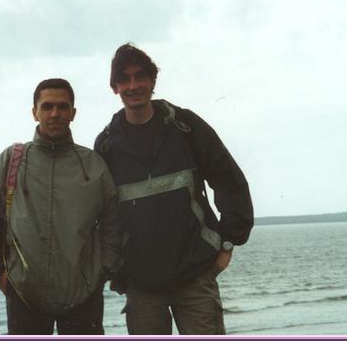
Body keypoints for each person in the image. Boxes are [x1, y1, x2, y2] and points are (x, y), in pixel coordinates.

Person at [94, 43, 253, 335]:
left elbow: (229, 179)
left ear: (153, 80)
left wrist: (230, 241)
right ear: (114, 87)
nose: (133, 85)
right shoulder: (106, 145)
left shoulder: (185, 127)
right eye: (124, 79)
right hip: (142, 287)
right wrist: (116, 271)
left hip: (196, 276)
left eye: (140, 76)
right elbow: (103, 218)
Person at [0, 78, 121, 335]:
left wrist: (100, 273)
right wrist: (0, 277)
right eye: (47, 106)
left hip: (84, 298)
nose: (55, 113)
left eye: (63, 106)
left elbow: (114, 226)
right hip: (25, 298)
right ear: (34, 112)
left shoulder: (93, 165)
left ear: (73, 113)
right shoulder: (11, 161)